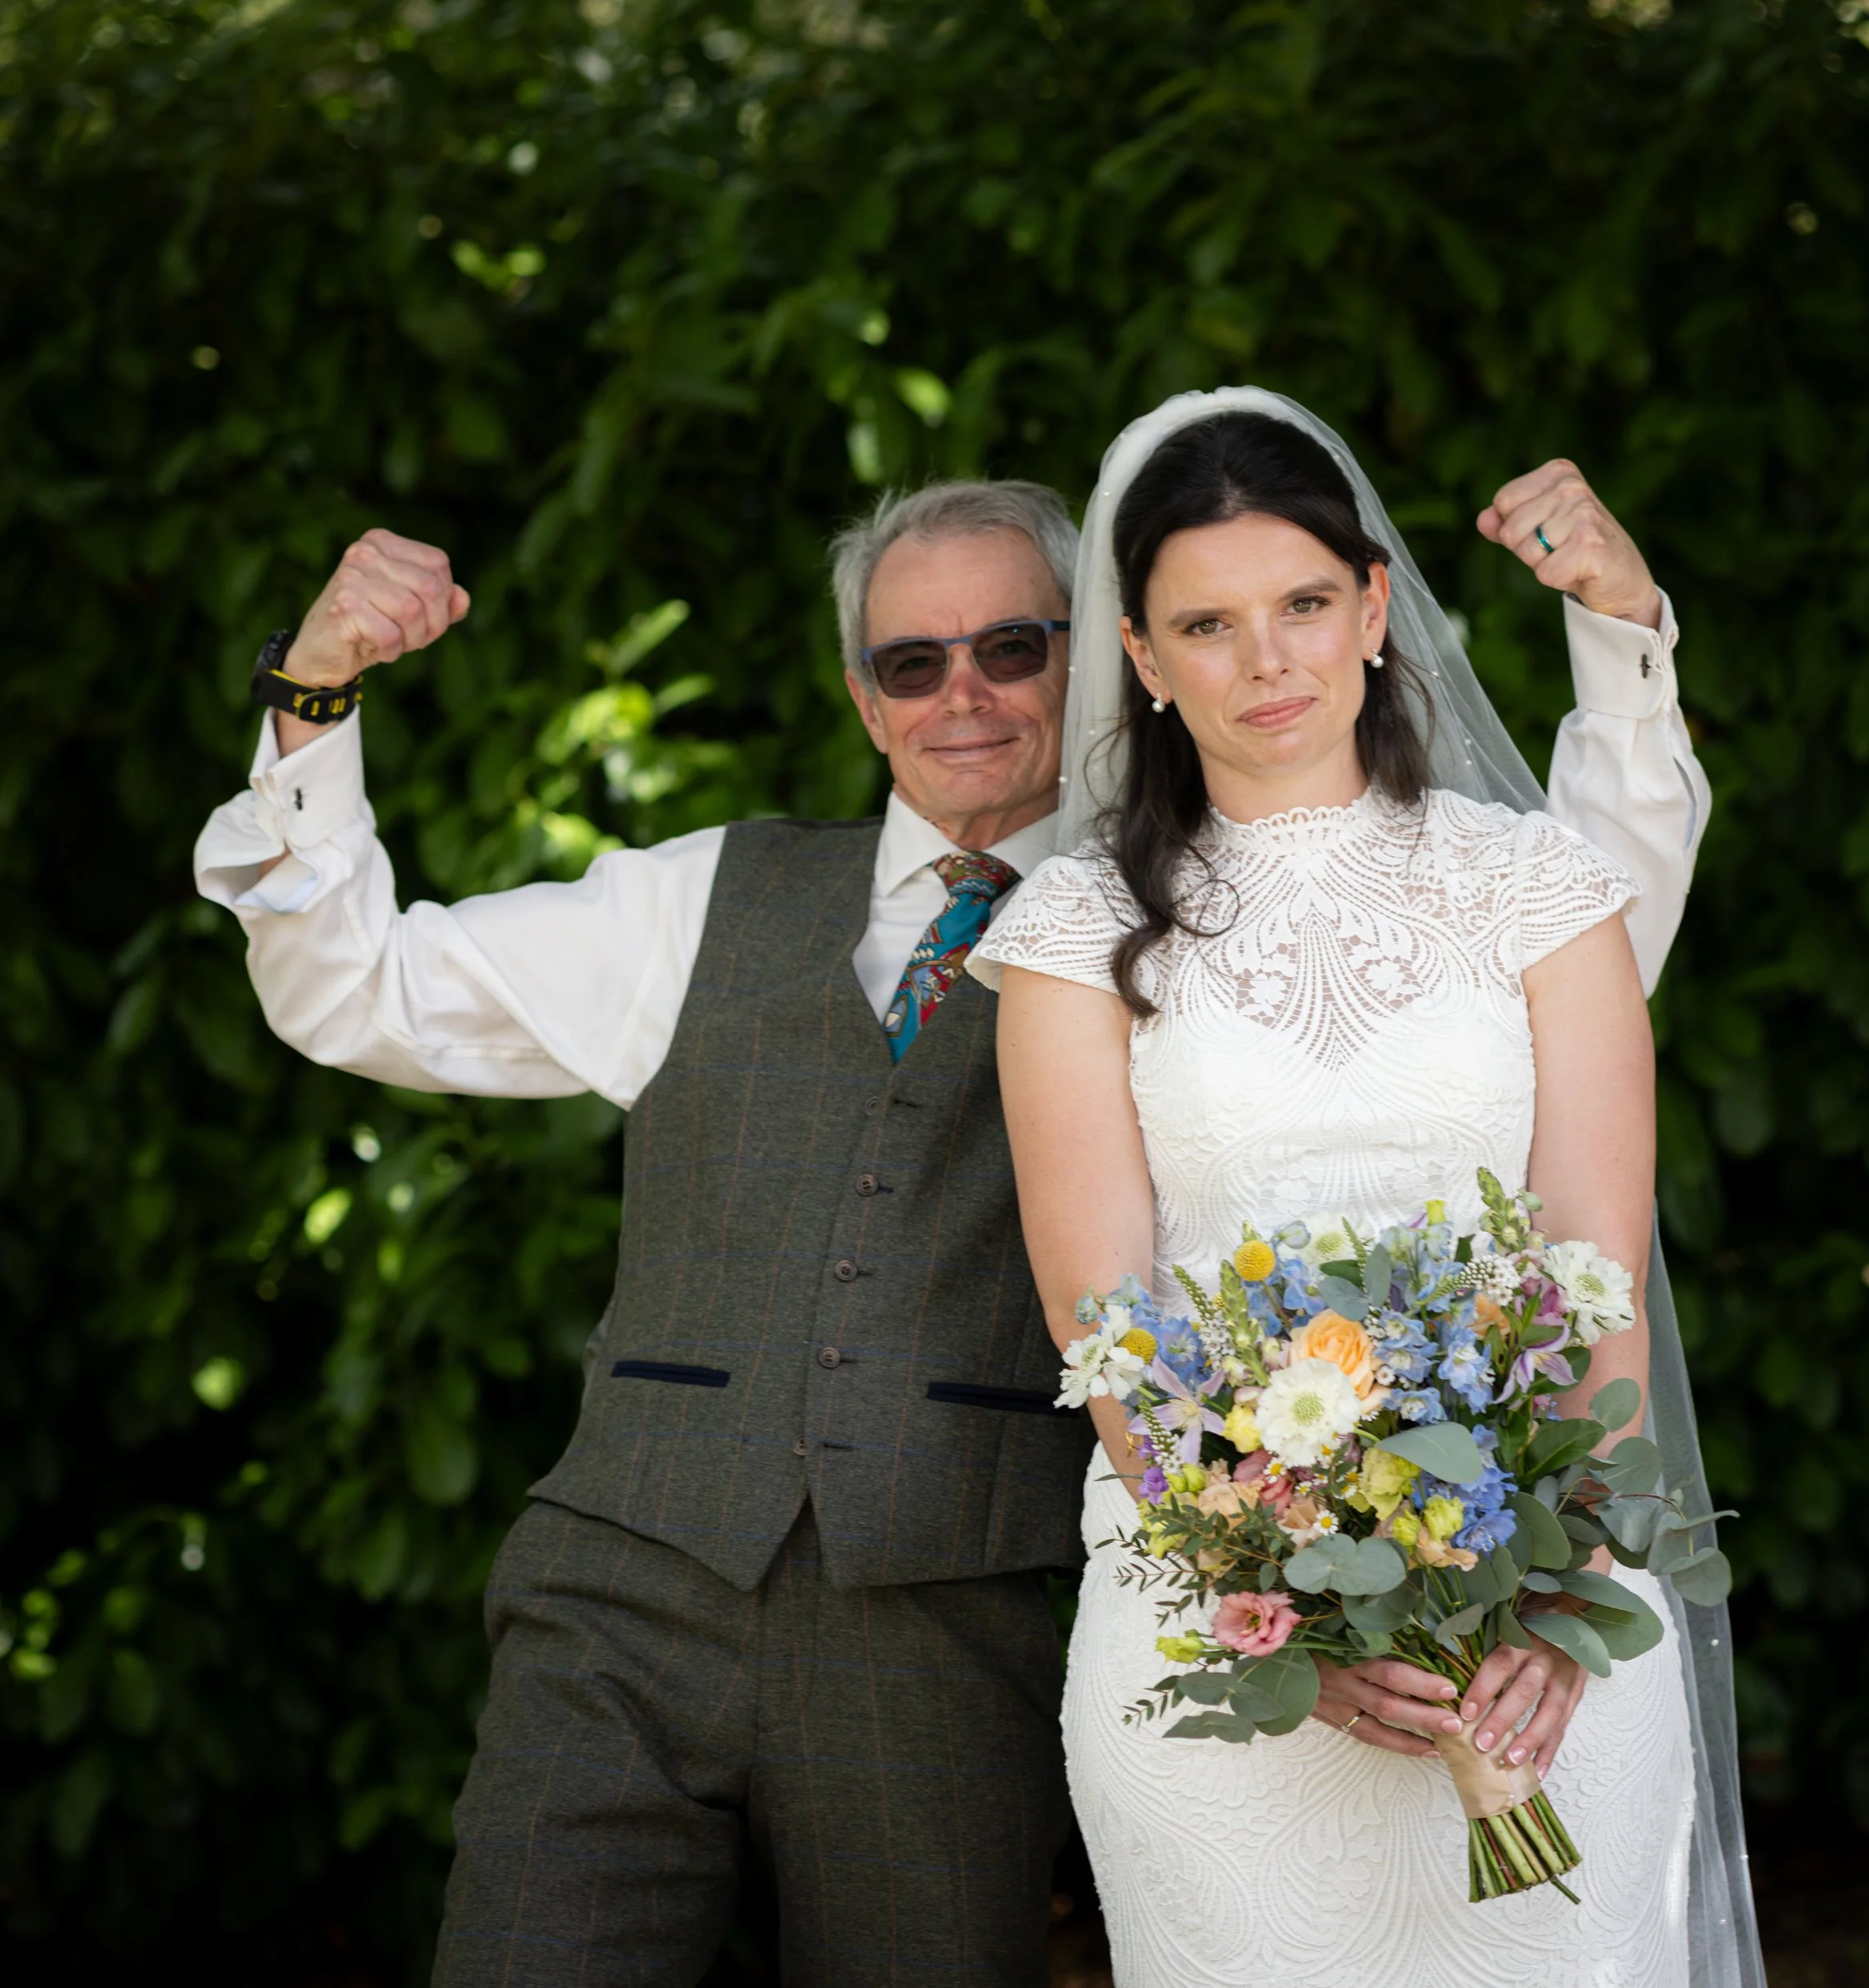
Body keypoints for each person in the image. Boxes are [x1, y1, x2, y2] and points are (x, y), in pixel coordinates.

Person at [192, 442, 1709, 1984]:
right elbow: (352, 984)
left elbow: (1580, 944)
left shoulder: (1184, 905)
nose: (962, 694)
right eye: (910, 662)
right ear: (866, 698)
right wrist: (312, 697)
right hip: (626, 1590)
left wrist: (1619, 634)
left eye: (1011, 647)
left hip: (949, 1625)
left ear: (1098, 660)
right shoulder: (701, 894)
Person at [970, 392, 1759, 1988]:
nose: (1266, 661)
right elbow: (1102, 1317)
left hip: (1550, 1610)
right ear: (1139, 652)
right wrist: (1280, 1613)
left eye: (1303, 604)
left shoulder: (1534, 881)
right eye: (1207, 621)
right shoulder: (1071, 927)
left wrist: (1555, 1593)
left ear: (1375, 607)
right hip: (1217, 1634)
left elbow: (1591, 1253)